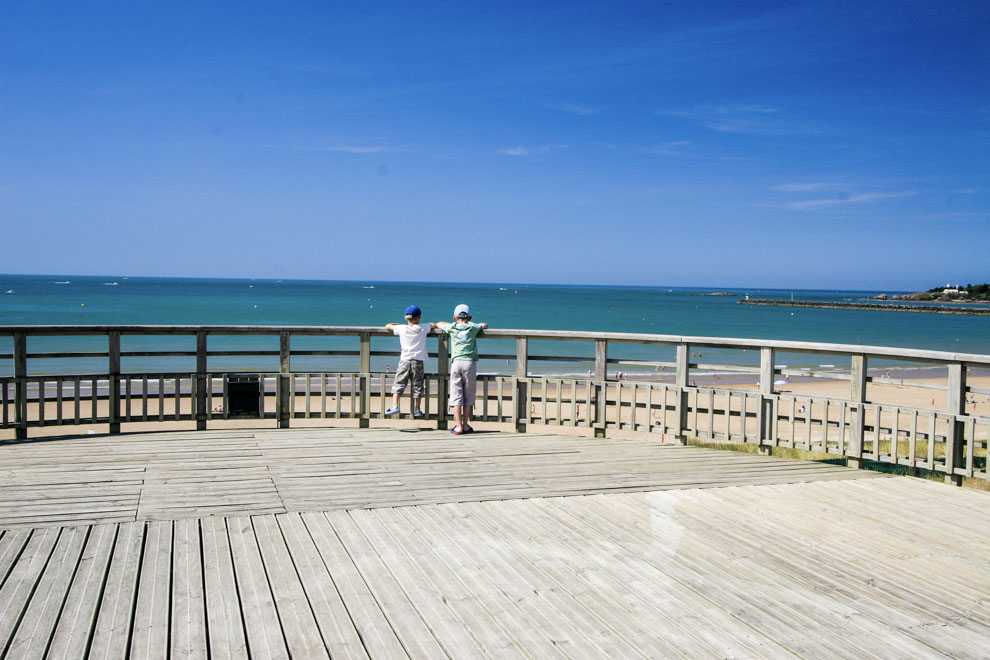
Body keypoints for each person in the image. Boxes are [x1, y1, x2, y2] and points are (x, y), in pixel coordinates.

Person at [436, 304, 488, 434]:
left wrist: (453, 323)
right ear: (470, 317)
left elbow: (439, 323)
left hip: (456, 363)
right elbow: (484, 325)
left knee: (456, 394)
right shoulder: (473, 327)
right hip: (470, 363)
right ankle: (465, 425)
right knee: (469, 394)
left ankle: (458, 426)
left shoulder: (451, 328)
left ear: (454, 317)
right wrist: (474, 323)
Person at [384, 306, 436, 418]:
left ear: (405, 318)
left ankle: (394, 406)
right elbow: (434, 324)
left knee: (399, 382)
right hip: (418, 361)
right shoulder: (423, 327)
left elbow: (387, 325)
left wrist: (398, 324)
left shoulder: (401, 328)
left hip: (405, 360)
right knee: (418, 385)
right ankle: (417, 409)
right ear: (419, 317)